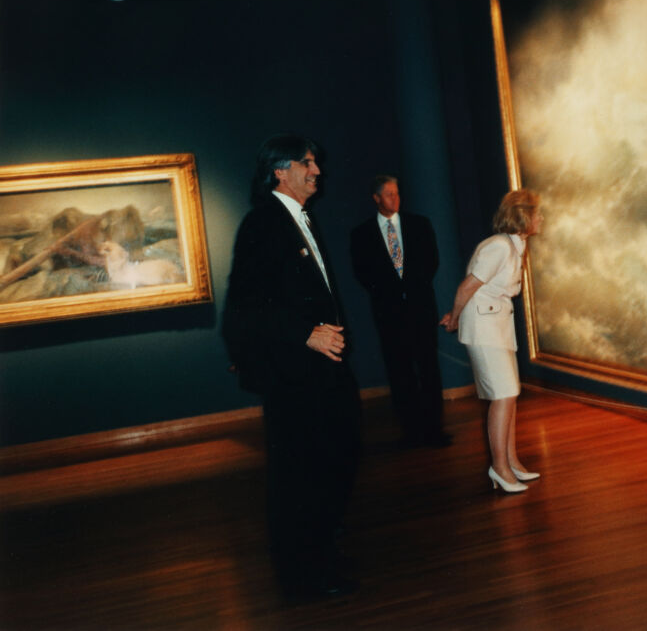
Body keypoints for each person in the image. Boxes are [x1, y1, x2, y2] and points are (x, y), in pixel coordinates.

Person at [222, 134, 361, 602]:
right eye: (307, 163)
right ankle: (303, 574)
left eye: (316, 162)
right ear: (280, 172)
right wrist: (305, 333)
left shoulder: (303, 220)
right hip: (293, 374)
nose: (317, 170)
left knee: (331, 462)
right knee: (298, 475)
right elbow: (244, 308)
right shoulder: (263, 225)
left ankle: (320, 547)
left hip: (323, 371)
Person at [440, 189, 543, 494]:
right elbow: (467, 286)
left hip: (497, 324)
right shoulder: (498, 246)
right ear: (523, 214)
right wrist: (455, 317)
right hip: (484, 328)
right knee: (503, 394)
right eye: (536, 213)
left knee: (509, 394)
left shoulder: (515, 243)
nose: (540, 219)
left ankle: (510, 461)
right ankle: (499, 467)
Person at [350, 176, 450, 447]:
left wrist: (413, 288)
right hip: (388, 313)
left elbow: (432, 261)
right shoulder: (361, 234)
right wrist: (388, 292)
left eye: (397, 194)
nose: (395, 199)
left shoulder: (419, 224)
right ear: (376, 198)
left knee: (428, 368)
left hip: (421, 308)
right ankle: (411, 431)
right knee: (400, 371)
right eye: (389, 195)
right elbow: (362, 272)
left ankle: (435, 429)